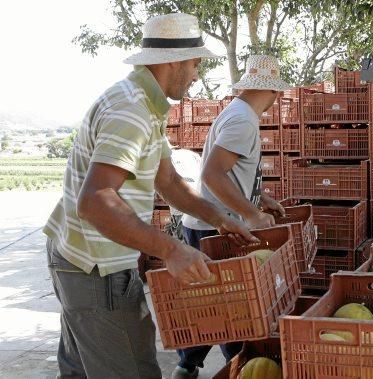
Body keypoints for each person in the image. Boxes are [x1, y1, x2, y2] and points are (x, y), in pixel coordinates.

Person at [43, 13, 258, 378]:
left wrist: (222, 219)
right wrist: (171, 249)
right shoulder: (132, 111)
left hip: (78, 254)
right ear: (173, 61)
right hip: (96, 265)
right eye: (194, 63)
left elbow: (170, 183)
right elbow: (95, 200)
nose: (196, 73)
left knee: (82, 369)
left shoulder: (145, 104)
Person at [173, 55, 291, 378]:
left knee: (216, 304)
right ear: (272, 91)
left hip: (210, 223)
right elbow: (212, 174)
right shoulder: (243, 121)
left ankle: (188, 366)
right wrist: (250, 213)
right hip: (216, 228)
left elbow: (231, 172)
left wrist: (259, 198)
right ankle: (236, 366)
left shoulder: (238, 113)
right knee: (234, 312)